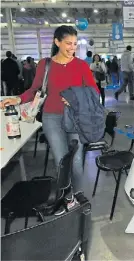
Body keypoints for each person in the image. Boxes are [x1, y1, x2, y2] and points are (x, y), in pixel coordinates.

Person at [0, 26, 99, 208]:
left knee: (76, 161)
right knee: (61, 160)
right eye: (68, 43)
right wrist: (17, 99)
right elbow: (34, 90)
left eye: (75, 44)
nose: (72, 48)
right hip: (52, 118)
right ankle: (67, 197)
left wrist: (76, 99)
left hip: (76, 119)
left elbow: (94, 92)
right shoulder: (45, 65)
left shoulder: (81, 66)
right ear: (57, 42)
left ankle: (78, 193)